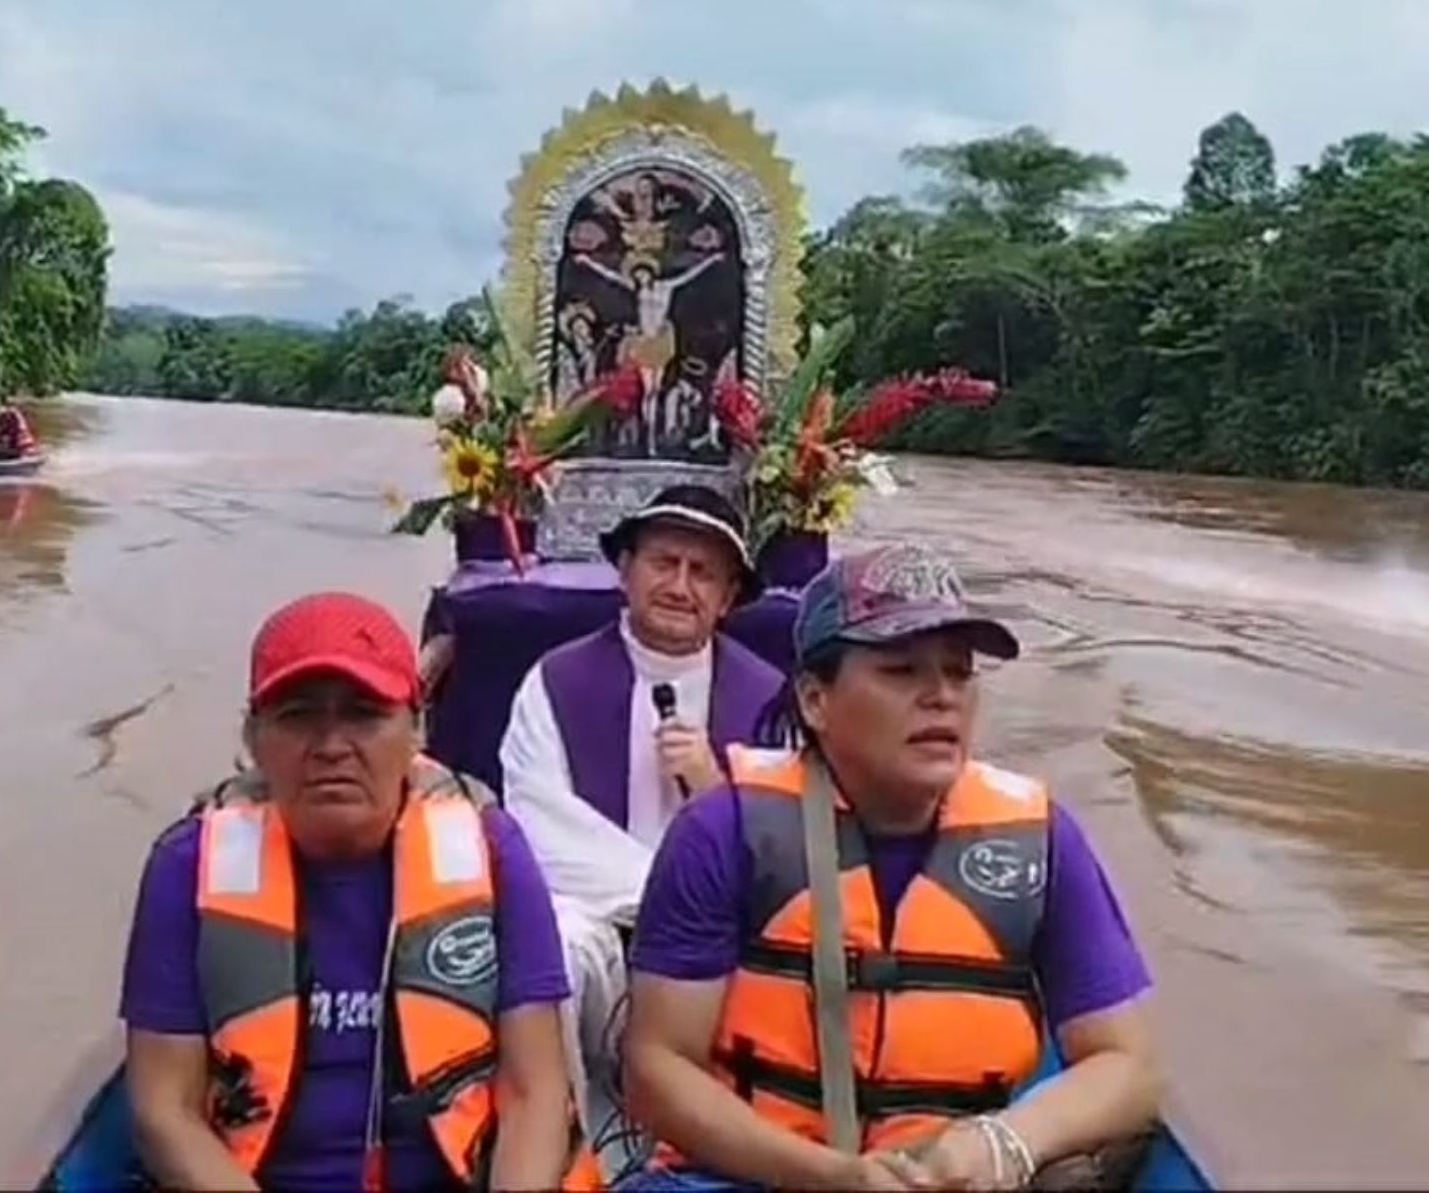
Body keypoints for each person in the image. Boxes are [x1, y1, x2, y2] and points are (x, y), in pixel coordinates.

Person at [622, 541, 1162, 1190]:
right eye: (903, 671)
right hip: (746, 1177)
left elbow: (1127, 1069)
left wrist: (1003, 1143)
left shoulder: (1043, 841)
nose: (941, 697)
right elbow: (656, 1069)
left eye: (959, 673)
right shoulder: (722, 830)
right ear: (816, 700)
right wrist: (833, 1176)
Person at [119, 591, 598, 1191]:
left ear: (417, 728)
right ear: (253, 738)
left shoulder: (493, 849)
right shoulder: (184, 867)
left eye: (364, 714)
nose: (331, 746)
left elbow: (536, 1093)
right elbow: (166, 1113)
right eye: (297, 715)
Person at [500, 485, 782, 1134]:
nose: (681, 586)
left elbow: (789, 844)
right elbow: (539, 825)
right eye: (664, 563)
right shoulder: (555, 680)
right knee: (554, 952)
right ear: (625, 570)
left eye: (703, 572)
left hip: (723, 938)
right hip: (598, 922)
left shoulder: (771, 699)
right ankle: (566, 1132)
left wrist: (717, 793)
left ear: (729, 597)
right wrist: (662, 894)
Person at [0, 393, 39, 460]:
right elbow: (3, 432)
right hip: (22, 447)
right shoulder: (12, 415)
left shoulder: (11, 416)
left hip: (21, 450)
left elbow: (7, 433)